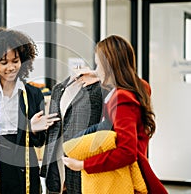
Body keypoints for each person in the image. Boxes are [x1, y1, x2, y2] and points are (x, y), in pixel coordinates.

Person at [62, 35, 168, 194]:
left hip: (127, 178)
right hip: (130, 174)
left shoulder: (121, 99)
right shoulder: (136, 90)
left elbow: (127, 152)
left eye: (98, 65)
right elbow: (141, 85)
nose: (96, 69)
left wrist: (83, 165)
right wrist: (98, 75)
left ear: (109, 65)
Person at [0, 27, 60, 194]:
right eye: (4, 62)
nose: (11, 67)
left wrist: (32, 129)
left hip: (22, 169)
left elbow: (39, 142)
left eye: (15, 61)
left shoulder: (34, 94)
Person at [40, 65, 103, 194]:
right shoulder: (58, 89)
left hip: (80, 159)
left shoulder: (98, 89)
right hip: (56, 159)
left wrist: (99, 77)